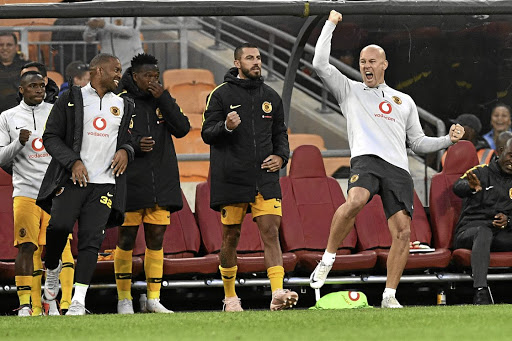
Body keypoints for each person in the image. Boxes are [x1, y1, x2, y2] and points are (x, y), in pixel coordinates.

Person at [309, 10, 464, 308]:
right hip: (366, 160)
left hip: (398, 169)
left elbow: (417, 142)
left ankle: (389, 297)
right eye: (362, 62)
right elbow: (318, 62)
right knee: (354, 201)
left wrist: (448, 140)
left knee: (404, 232)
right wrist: (330, 23)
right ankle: (328, 257)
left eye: (372, 62)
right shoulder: (348, 90)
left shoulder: (403, 101)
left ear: (384, 65)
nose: (366, 66)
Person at [202, 43, 298, 312]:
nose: (256, 62)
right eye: (250, 58)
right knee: (231, 236)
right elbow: (206, 133)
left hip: (265, 178)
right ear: (237, 63)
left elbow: (281, 133)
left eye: (258, 57)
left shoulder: (271, 96)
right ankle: (230, 297)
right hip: (232, 178)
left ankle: (277, 292)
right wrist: (226, 127)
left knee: (271, 231)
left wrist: (281, 157)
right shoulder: (219, 95)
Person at [36, 53, 135, 315]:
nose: (119, 75)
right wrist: (73, 162)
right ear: (99, 71)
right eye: (115, 70)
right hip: (71, 180)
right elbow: (51, 137)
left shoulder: (124, 104)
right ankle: (53, 266)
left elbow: (129, 138)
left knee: (92, 241)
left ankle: (78, 300)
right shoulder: (70, 99)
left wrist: (126, 150)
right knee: (59, 227)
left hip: (104, 184)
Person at [114, 53, 190, 314]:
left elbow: (182, 128)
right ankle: (124, 298)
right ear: (135, 77)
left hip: (161, 182)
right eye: (148, 76)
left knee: (156, 238)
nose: (152, 80)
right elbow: (106, 141)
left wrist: (164, 98)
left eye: (156, 76)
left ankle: (153, 298)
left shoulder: (163, 101)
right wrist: (134, 146)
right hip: (130, 182)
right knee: (126, 238)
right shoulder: (120, 103)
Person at [0, 72, 56, 316]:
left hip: (55, 191)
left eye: (41, 86)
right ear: (21, 89)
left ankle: (52, 303)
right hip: (25, 192)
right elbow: (1, 156)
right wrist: (18, 143)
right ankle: (25, 304)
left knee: (56, 249)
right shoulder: (7, 117)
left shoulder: (56, 113)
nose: (38, 90)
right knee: (26, 246)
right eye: (32, 86)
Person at [452, 139, 512, 304]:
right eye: (510, 155)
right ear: (500, 151)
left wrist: (508, 220)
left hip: (500, 235)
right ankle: (480, 291)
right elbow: (458, 187)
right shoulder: (481, 172)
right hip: (469, 232)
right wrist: (470, 187)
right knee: (483, 231)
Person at [0, 32, 29, 113]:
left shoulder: (27, 66)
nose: (4, 48)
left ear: (16, 47)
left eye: (9, 45)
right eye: (1, 45)